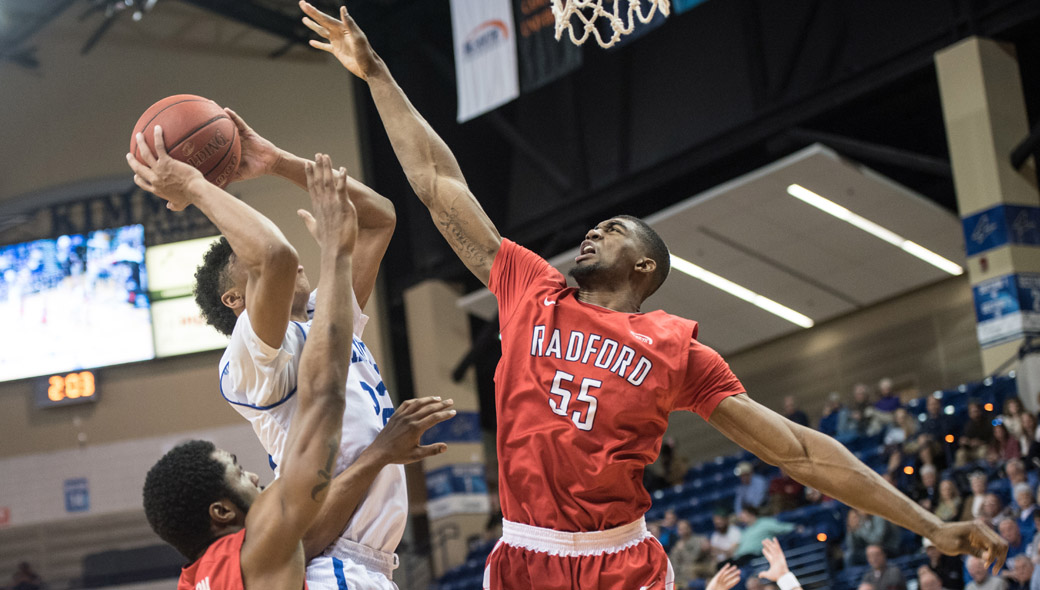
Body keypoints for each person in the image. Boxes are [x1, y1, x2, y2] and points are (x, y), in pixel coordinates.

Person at [297, 3, 1010, 587]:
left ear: (644, 268)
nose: (591, 233)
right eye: (594, 226)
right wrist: (379, 74)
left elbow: (798, 451)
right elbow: (437, 183)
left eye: (611, 231)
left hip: (621, 562)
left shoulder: (677, 349)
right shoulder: (529, 288)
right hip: (522, 553)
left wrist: (928, 524)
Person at [127, 122, 433, 589]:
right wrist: (196, 186)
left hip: (366, 554)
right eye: (244, 266)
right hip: (330, 545)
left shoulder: (320, 316)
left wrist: (276, 163)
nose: (302, 263)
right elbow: (275, 256)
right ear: (236, 300)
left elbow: (379, 219)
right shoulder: (251, 355)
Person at [669, 519, 714, 587]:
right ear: (678, 531)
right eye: (680, 529)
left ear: (689, 528)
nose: (683, 531)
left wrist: (706, 549)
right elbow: (675, 565)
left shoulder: (699, 539)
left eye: (685, 528)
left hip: (703, 566)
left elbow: (695, 557)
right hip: (686, 573)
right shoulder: (677, 547)